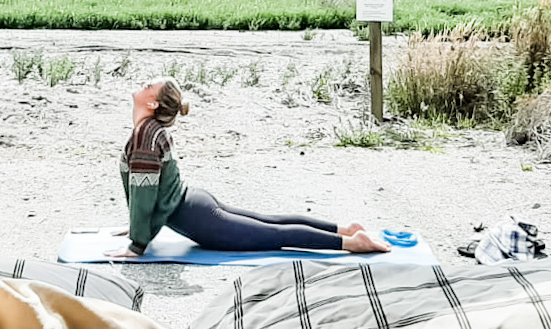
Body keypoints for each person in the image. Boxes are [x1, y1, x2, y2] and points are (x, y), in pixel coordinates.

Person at [108, 77, 391, 258]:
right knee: (271, 222)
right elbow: (148, 189)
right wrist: (135, 227)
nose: (142, 83)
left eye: (148, 85)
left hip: (199, 219)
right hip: (195, 203)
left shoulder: (145, 135)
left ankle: (352, 243)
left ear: (152, 102)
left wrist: (137, 245)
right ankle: (345, 229)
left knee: (274, 235)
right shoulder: (151, 131)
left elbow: (144, 193)